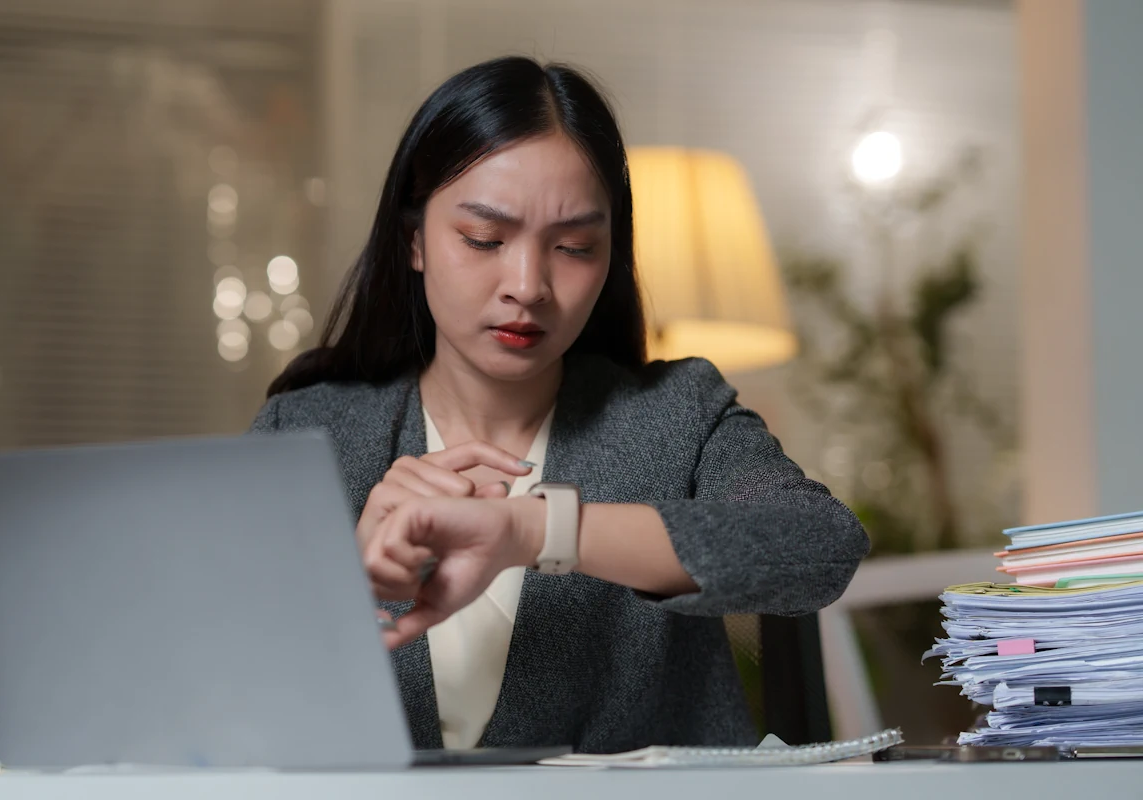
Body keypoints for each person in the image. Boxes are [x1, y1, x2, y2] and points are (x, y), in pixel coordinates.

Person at [250, 55, 869, 754]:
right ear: (414, 238)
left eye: (574, 247)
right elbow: (227, 701)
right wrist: (340, 587)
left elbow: (818, 546)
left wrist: (535, 530)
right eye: (484, 239)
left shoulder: (676, 416)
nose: (528, 285)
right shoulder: (310, 433)